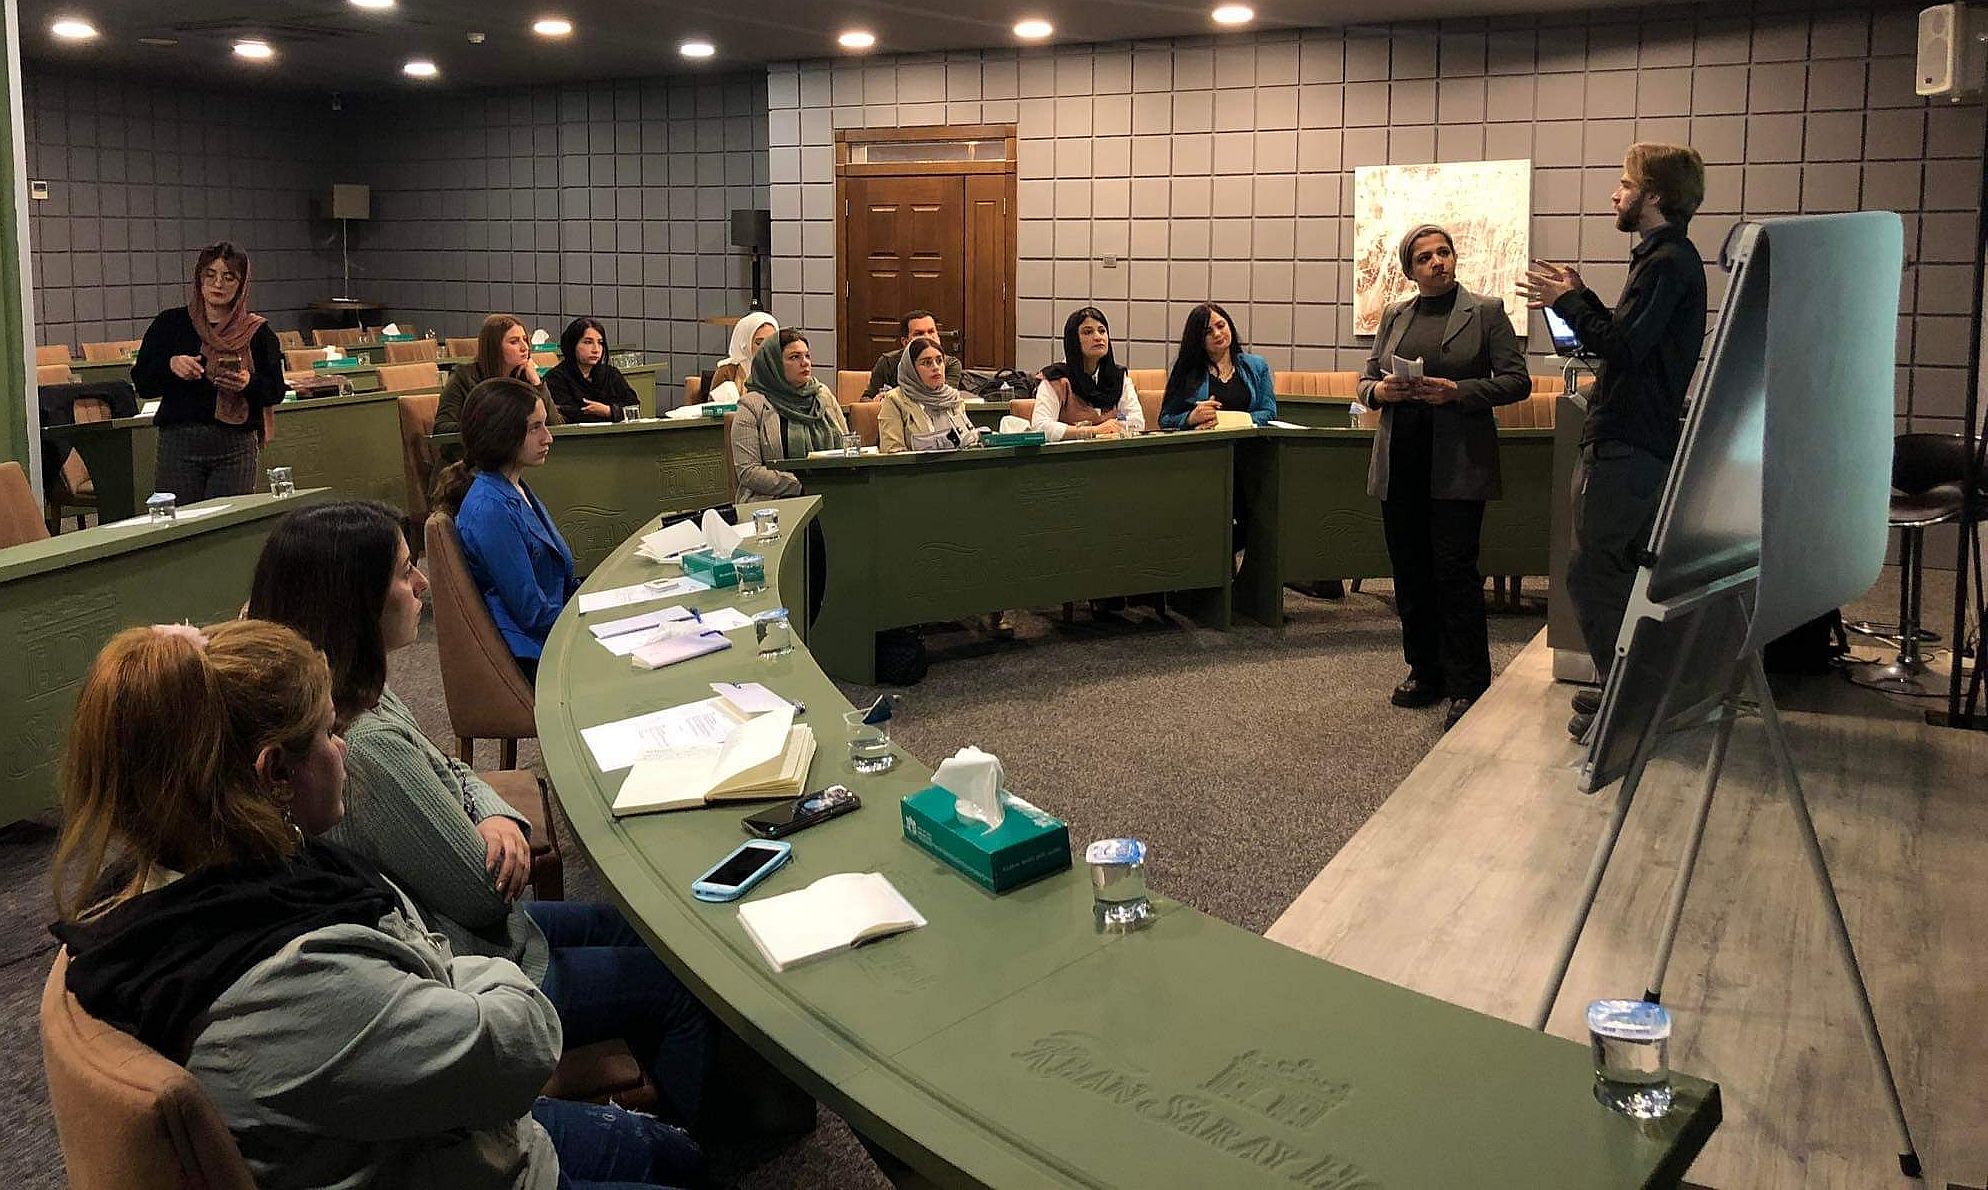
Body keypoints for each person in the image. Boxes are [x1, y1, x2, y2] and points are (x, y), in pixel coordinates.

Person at [48, 620, 702, 1188]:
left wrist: (442, 975)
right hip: (454, 1157)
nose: (343, 748)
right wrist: (462, 974)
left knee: (672, 1153)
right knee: (680, 1159)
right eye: (326, 734)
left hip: (420, 1130)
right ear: (276, 773)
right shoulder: (295, 981)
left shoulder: (182, 889)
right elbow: (521, 1043)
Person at [248, 499, 714, 1135]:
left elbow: (452, 769)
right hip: (480, 966)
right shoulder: (366, 745)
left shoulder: (362, 691)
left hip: (483, 935)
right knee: (683, 987)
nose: (422, 584)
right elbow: (482, 894)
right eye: (404, 573)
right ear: (354, 601)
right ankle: (684, 1145)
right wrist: (487, 826)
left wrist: (496, 818)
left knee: (639, 928)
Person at [1520, 143, 1708, 739]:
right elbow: (1629, 337)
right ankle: (1624, 690)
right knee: (1611, 570)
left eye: (1625, 184)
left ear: (1653, 194)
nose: (1615, 194)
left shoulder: (1668, 262)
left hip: (1628, 441)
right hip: (1634, 438)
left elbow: (1621, 347)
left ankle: (1626, 702)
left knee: (1593, 572)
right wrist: (1580, 297)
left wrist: (1568, 303)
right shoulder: (1664, 258)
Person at [1360, 224, 1531, 730]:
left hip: (1458, 462)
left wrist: (1457, 391)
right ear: (1409, 270)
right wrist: (1380, 393)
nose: (1437, 262)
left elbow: (1516, 381)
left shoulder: (1486, 312)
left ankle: (1469, 684)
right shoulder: (1396, 314)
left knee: (1454, 573)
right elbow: (1366, 379)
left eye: (1444, 253)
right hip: (1401, 461)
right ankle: (1425, 671)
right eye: (1425, 257)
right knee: (1410, 571)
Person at [431, 377, 577, 683]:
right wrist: (590, 619)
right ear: (502, 433)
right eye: (535, 428)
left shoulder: (512, 485)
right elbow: (533, 613)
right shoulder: (490, 508)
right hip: (534, 655)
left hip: (553, 633)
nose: (548, 438)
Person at [132, 242, 285, 503]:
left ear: (241, 284)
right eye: (210, 275)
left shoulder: (258, 332)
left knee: (229, 521)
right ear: (199, 279)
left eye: (229, 277)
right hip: (180, 442)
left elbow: (275, 390)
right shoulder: (171, 324)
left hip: (236, 445)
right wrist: (171, 366)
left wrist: (248, 383)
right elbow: (143, 383)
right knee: (180, 521)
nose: (218, 284)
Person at [732, 328, 850, 501]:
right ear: (774, 364)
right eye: (795, 357)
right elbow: (748, 471)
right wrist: (803, 485)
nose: (805, 363)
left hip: (831, 495)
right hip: (774, 501)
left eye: (807, 356)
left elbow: (847, 444)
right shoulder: (752, 406)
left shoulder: (822, 395)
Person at [1029, 306, 1145, 441]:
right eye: (1088, 332)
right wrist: (1093, 431)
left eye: (1102, 331)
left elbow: (1137, 422)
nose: (1098, 337)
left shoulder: (1118, 377)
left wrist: (1114, 428)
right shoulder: (1056, 379)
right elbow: (1040, 427)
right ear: (1074, 340)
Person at [1158, 302, 1277, 429]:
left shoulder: (1257, 366)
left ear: (1229, 325)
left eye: (1221, 326)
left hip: (1248, 439)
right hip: (1206, 440)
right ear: (1198, 339)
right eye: (1208, 332)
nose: (1217, 334)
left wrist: (1229, 421)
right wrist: (1190, 418)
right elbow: (1165, 420)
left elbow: (1269, 412)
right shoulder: (1187, 371)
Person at [435, 314, 550, 435]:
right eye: (514, 342)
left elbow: (554, 425)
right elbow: (441, 428)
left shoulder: (525, 377)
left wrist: (537, 384)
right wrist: (493, 426)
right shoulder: (464, 377)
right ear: (494, 347)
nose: (524, 347)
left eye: (525, 340)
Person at [877, 336, 983, 453]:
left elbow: (968, 443)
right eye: (927, 363)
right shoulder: (894, 400)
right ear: (911, 369)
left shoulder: (952, 398)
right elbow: (893, 452)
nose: (936, 367)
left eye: (939, 361)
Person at [544, 316, 640, 423]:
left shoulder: (611, 374)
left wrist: (608, 411)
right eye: (588, 342)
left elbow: (633, 408)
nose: (596, 349)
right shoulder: (555, 378)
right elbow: (566, 414)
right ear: (572, 345)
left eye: (600, 343)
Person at [860, 309, 963, 400]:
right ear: (905, 342)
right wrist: (876, 402)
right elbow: (866, 398)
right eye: (919, 334)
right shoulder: (887, 362)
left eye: (931, 331)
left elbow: (942, 396)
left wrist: (893, 396)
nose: (927, 337)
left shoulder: (951, 364)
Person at [707, 311, 778, 404]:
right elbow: (713, 408)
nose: (766, 348)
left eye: (771, 341)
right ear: (745, 343)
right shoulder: (728, 370)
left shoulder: (782, 368)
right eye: (759, 343)